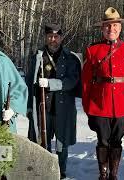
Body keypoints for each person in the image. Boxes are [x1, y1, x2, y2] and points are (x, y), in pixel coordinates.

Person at [82, 7, 124, 180]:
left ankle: (113, 174)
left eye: (115, 25)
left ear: (120, 27)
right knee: (103, 141)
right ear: (102, 29)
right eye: (107, 26)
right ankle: (103, 174)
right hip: (100, 104)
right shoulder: (92, 50)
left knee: (117, 141)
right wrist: (88, 106)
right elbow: (86, 81)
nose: (111, 29)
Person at [26, 23, 81, 179]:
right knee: (42, 141)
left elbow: (72, 81)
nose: (53, 39)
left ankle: (61, 171)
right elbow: (29, 81)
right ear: (46, 37)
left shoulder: (70, 57)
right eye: (50, 36)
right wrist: (29, 106)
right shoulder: (37, 56)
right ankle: (46, 169)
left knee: (61, 143)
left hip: (63, 108)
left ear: (61, 38)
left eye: (56, 36)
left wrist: (51, 84)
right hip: (42, 107)